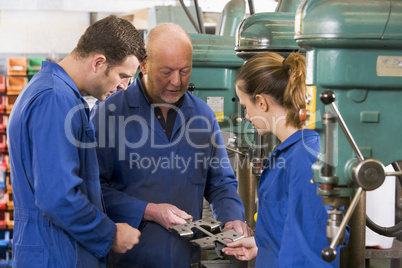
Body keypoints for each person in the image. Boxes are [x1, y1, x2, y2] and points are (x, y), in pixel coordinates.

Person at [90, 23, 253, 268]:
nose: (176, 81)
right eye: (166, 72)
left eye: (184, 71)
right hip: (128, 260)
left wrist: (232, 219)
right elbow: (93, 189)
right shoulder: (109, 113)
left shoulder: (203, 115)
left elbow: (220, 182)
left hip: (185, 259)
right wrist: (147, 210)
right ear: (143, 65)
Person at [7, 15, 147, 268]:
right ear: (99, 62)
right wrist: (110, 233)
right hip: (56, 254)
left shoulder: (56, 93)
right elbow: (57, 197)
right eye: (123, 75)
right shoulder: (55, 99)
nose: (125, 86)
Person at [221, 52, 346, 267]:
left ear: (261, 102)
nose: (247, 116)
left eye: (245, 106)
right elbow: (293, 229)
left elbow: (312, 252)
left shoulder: (306, 158)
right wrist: (263, 244)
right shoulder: (289, 153)